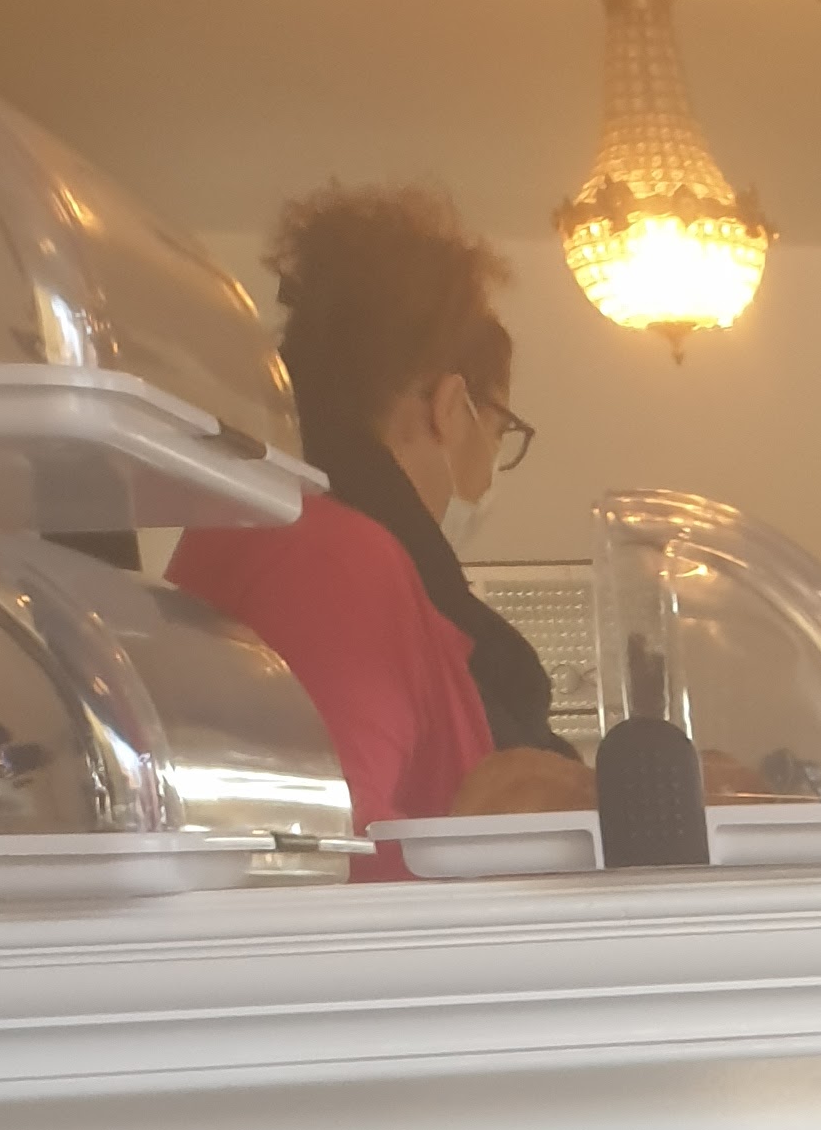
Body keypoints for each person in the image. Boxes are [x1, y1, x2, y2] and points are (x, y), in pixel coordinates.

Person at [171, 187, 593, 855]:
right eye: (498, 430)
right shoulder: (333, 562)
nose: (488, 472)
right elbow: (330, 859)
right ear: (449, 408)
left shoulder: (256, 525)